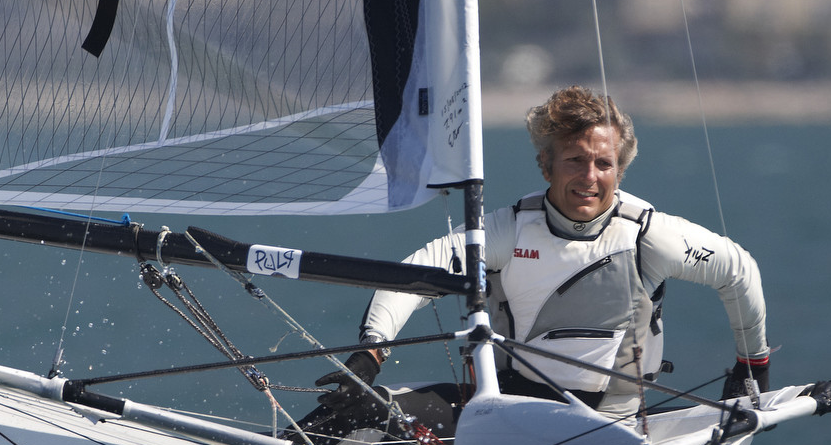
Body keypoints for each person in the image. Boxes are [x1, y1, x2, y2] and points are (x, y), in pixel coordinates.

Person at [317, 85, 770, 419]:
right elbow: (418, 272)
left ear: (621, 168)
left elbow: (738, 272)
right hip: (506, 415)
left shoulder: (650, 238)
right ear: (546, 164)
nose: (590, 176)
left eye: (604, 163)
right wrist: (370, 353)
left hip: (610, 426)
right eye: (574, 159)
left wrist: (752, 364)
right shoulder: (507, 231)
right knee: (346, 414)